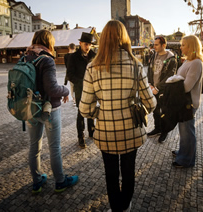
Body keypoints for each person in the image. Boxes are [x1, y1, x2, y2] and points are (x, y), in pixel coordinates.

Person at [79, 20, 156, 212]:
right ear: (124, 38)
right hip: (131, 130)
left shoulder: (92, 67)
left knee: (111, 174)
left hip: (106, 131)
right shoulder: (136, 65)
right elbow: (151, 103)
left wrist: (102, 112)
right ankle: (125, 207)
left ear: (103, 39)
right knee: (129, 172)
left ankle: (116, 208)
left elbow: (85, 109)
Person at [24, 29, 78, 194]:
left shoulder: (25, 56)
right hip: (49, 109)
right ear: (49, 42)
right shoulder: (46, 59)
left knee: (34, 147)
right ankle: (60, 181)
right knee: (54, 147)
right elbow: (52, 88)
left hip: (30, 108)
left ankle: (37, 182)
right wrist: (66, 90)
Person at [172, 35, 203, 168]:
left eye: (183, 45)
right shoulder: (187, 61)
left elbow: (186, 86)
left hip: (189, 103)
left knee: (187, 131)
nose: (180, 47)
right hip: (183, 102)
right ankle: (184, 151)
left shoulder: (196, 62)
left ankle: (186, 160)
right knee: (183, 130)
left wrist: (172, 83)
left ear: (191, 46)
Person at [67, 32, 96, 148]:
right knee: (81, 113)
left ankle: (92, 131)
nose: (87, 46)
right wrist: (80, 82)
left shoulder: (94, 55)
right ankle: (81, 136)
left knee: (92, 110)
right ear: (80, 43)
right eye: (85, 44)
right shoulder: (73, 57)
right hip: (80, 89)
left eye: (89, 44)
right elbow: (69, 74)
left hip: (92, 90)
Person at [146, 36, 177, 143]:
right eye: (154, 44)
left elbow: (170, 75)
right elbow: (150, 70)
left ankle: (164, 131)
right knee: (155, 110)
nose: (154, 46)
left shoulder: (171, 58)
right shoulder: (154, 55)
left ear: (163, 45)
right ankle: (157, 128)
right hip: (153, 88)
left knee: (164, 111)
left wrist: (158, 88)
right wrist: (150, 84)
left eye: (156, 44)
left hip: (164, 90)